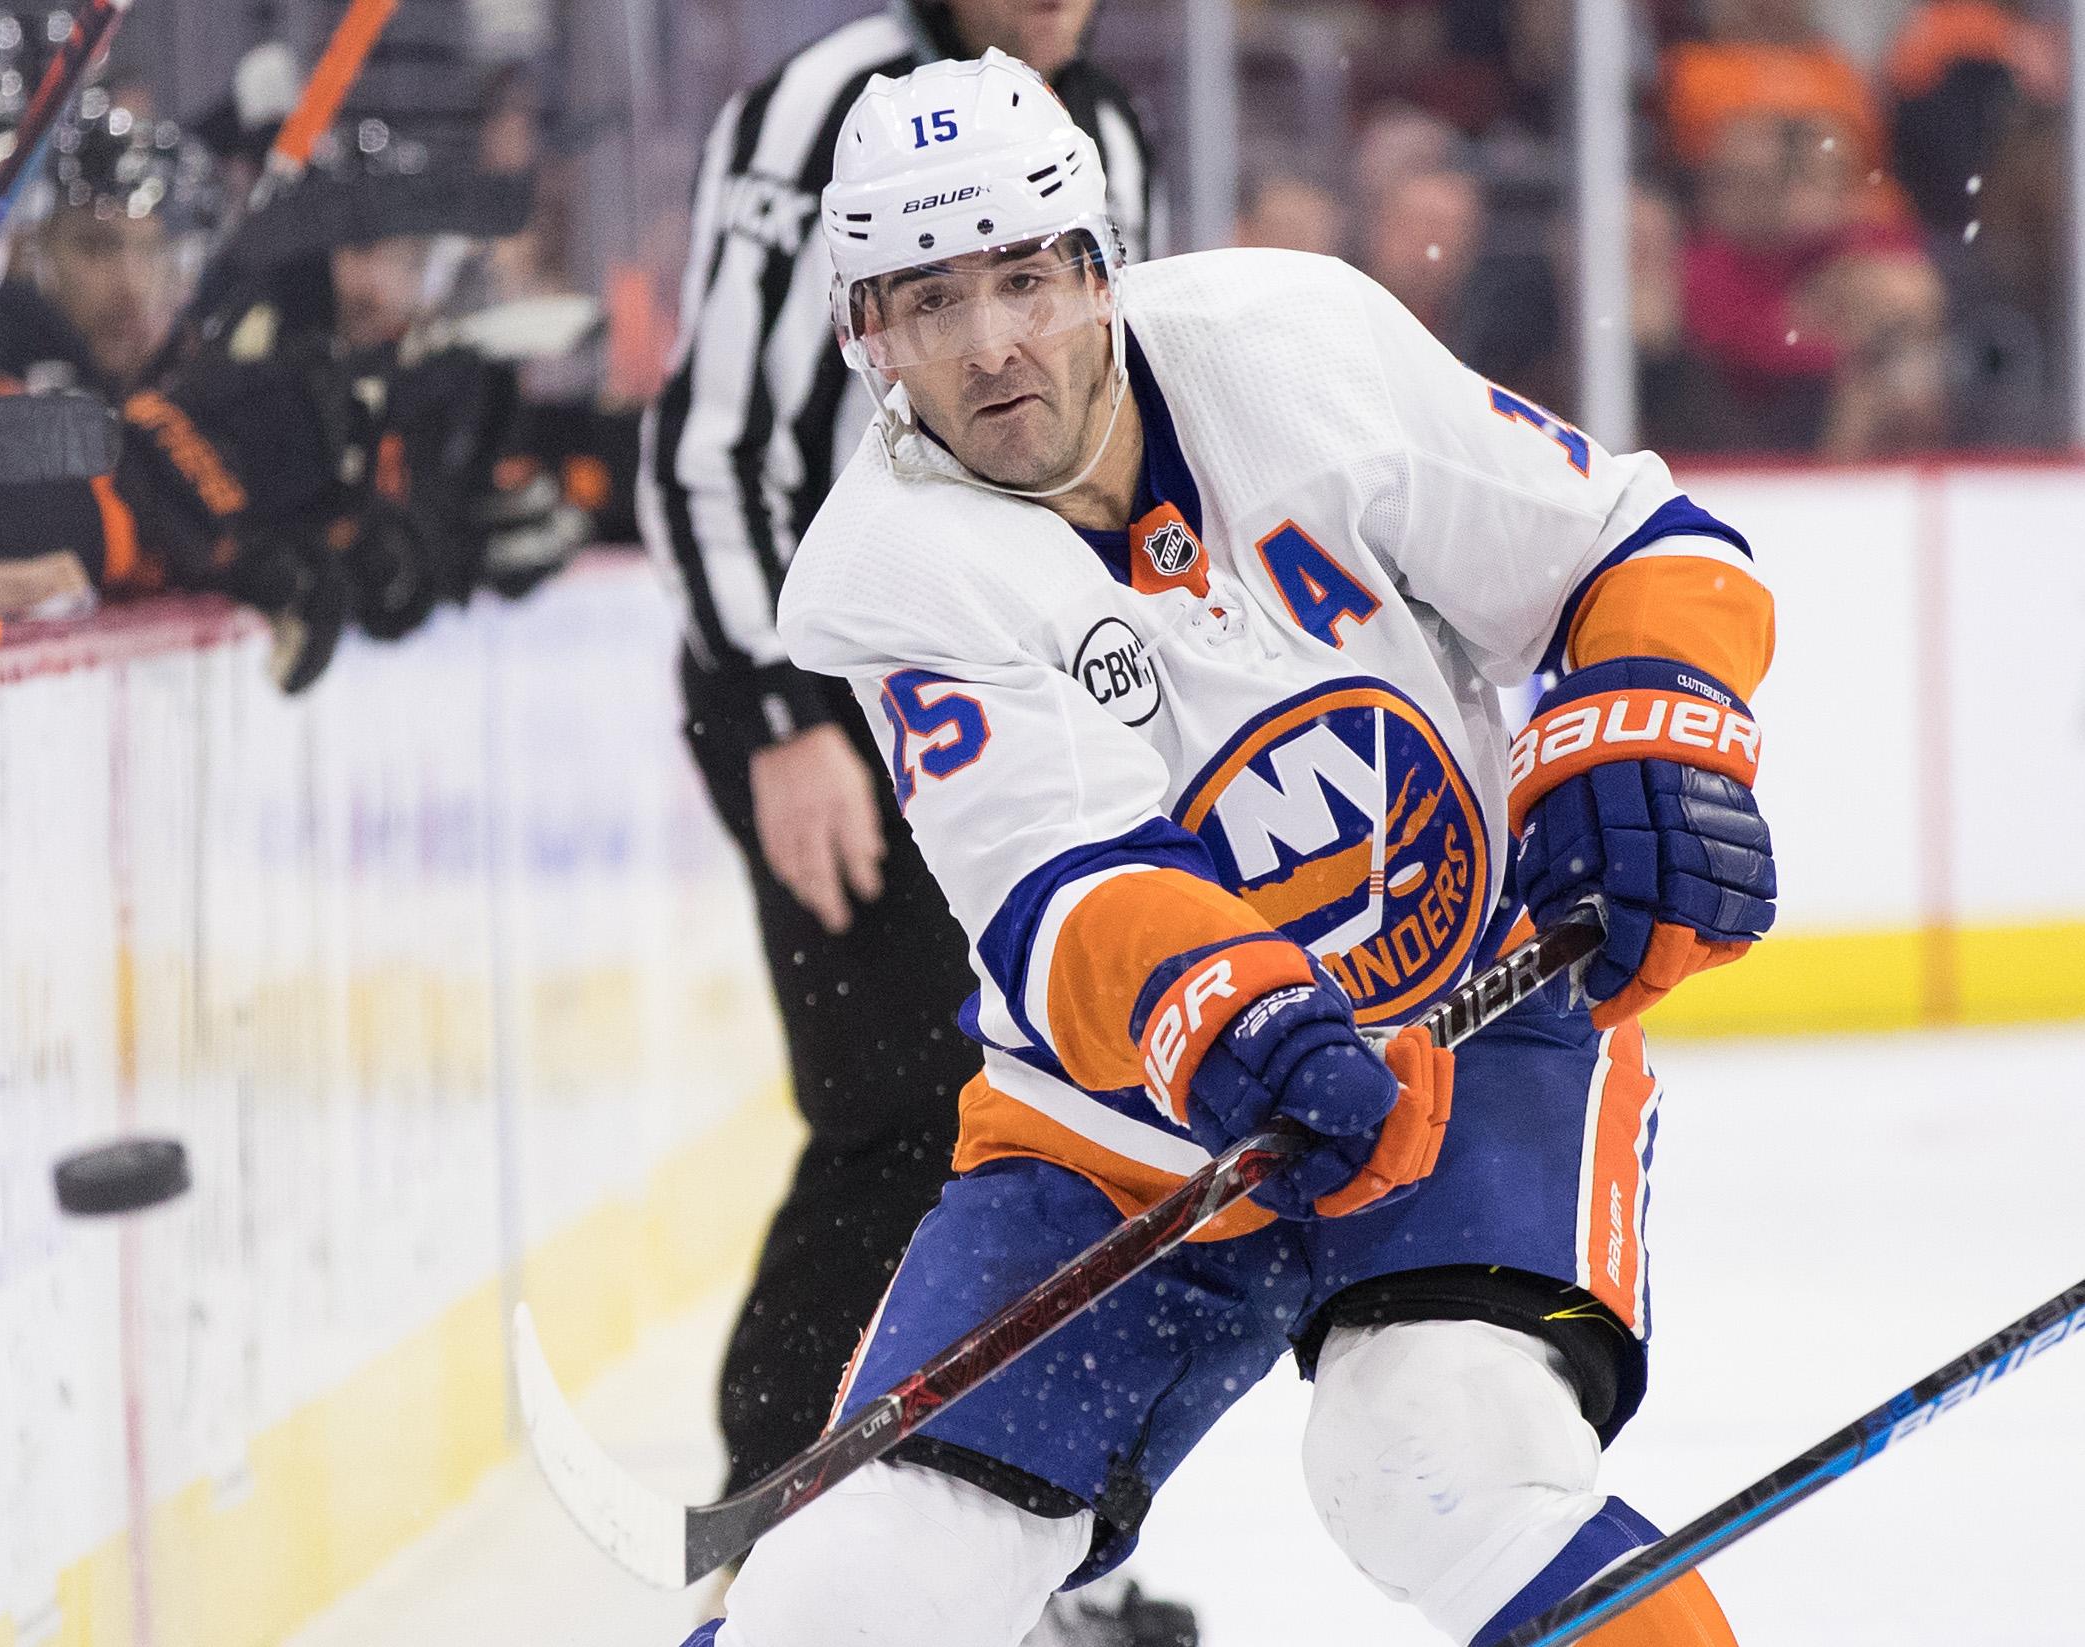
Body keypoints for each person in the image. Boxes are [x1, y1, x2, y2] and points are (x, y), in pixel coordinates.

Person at [682, 51, 1778, 1647]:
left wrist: (1652, 723)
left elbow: (1626, 542)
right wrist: (1241, 1016)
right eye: (928, 304)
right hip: (1113, 1136)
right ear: (868, 340)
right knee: (848, 1598)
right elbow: (1067, 892)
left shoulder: (1294, 344)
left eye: (1024, 277)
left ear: (1098, 263)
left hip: (1463, 1035)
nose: (991, 345)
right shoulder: (884, 571)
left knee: (1436, 1453)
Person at [637, 7, 1188, 1639]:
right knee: (898, 1116)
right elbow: (704, 452)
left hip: (1039, 690)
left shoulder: (1102, 128)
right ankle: (786, 1541)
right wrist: (780, 716)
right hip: (839, 693)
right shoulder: (819, 108)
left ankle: (1035, 1559)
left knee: (1083, 1113)